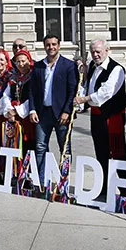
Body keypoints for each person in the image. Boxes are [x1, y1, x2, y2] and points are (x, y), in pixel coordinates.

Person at [75, 40, 126, 199]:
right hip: (97, 117)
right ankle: (105, 187)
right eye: (93, 52)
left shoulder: (116, 69)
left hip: (112, 117)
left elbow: (105, 93)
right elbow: (87, 84)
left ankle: (125, 190)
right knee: (101, 152)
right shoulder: (92, 66)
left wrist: (84, 99)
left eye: (98, 51)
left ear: (107, 50)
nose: (95, 54)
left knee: (118, 152)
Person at [28, 34, 78, 180]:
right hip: (42, 113)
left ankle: (64, 181)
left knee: (65, 148)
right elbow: (32, 90)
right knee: (40, 147)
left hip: (62, 114)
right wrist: (32, 109)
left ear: (59, 46)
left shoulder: (68, 65)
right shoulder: (38, 66)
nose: (51, 47)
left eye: (54, 44)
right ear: (44, 46)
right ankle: (42, 180)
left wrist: (67, 111)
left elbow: (72, 91)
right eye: (48, 44)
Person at [0, 49, 35, 157]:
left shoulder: (33, 76)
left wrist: (17, 111)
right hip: (13, 116)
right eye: (18, 62)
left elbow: (34, 97)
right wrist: (9, 110)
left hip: (26, 115)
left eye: (23, 61)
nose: (21, 64)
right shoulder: (13, 77)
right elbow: (6, 95)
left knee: (28, 144)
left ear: (29, 61)